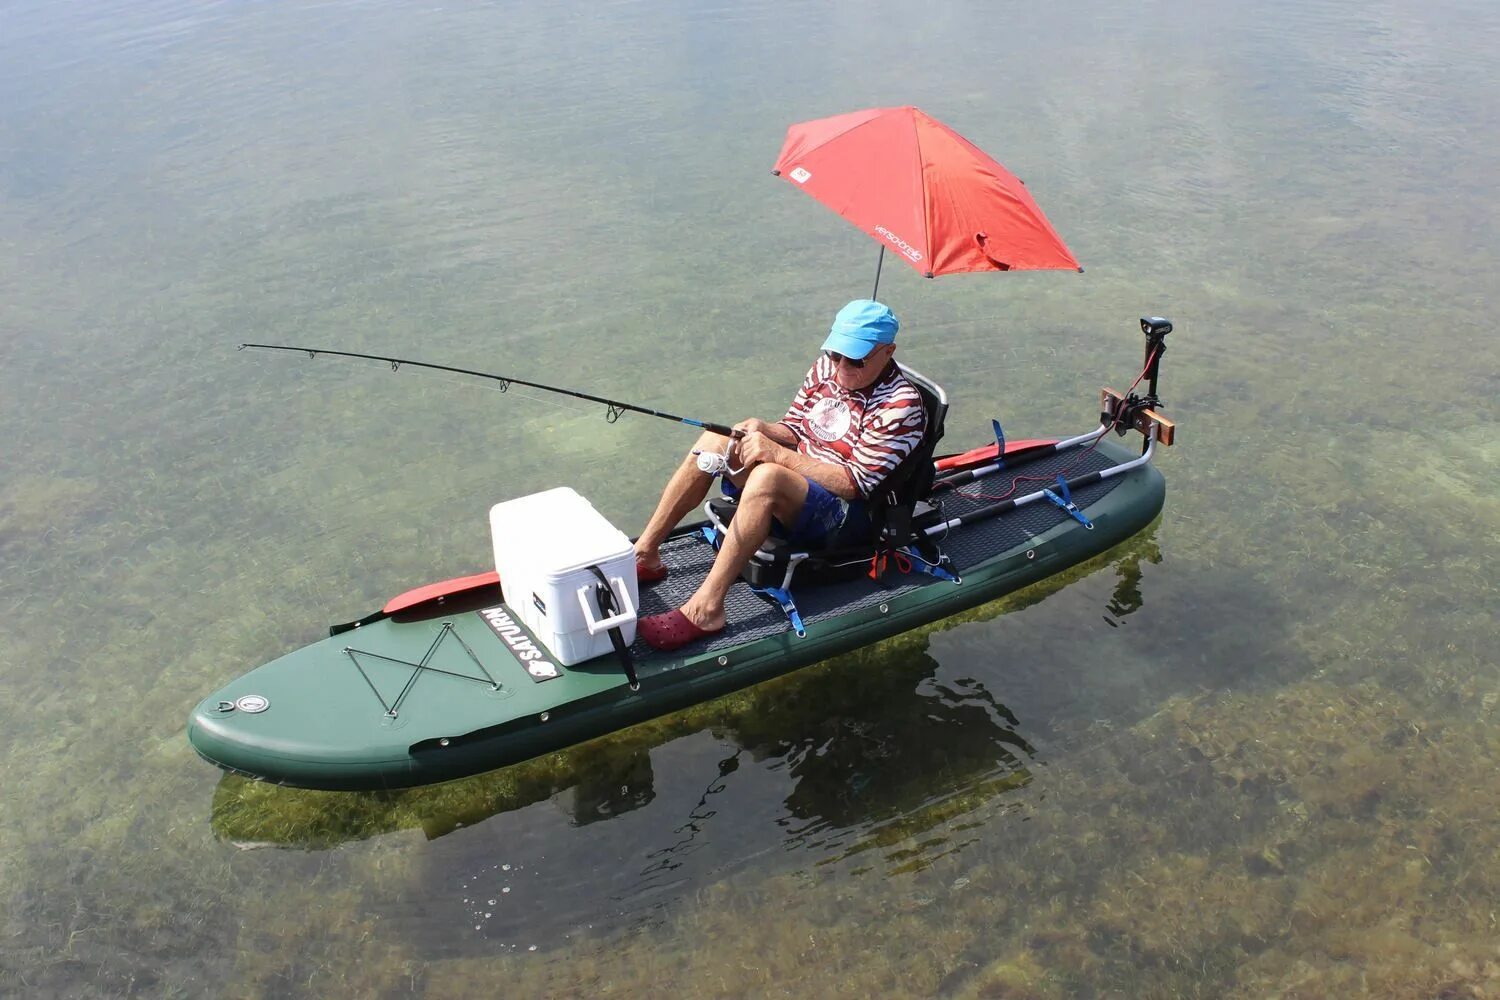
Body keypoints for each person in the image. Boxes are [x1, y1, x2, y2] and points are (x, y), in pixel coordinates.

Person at [634, 299, 927, 652]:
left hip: (846, 514)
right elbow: (796, 428)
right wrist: (764, 430)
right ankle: (645, 553)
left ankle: (706, 608)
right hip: (797, 481)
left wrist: (777, 455)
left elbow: (854, 484)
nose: (841, 368)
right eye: (836, 355)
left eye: (856, 359)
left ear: (888, 351)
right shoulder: (825, 369)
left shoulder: (901, 406)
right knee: (716, 439)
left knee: (768, 477)